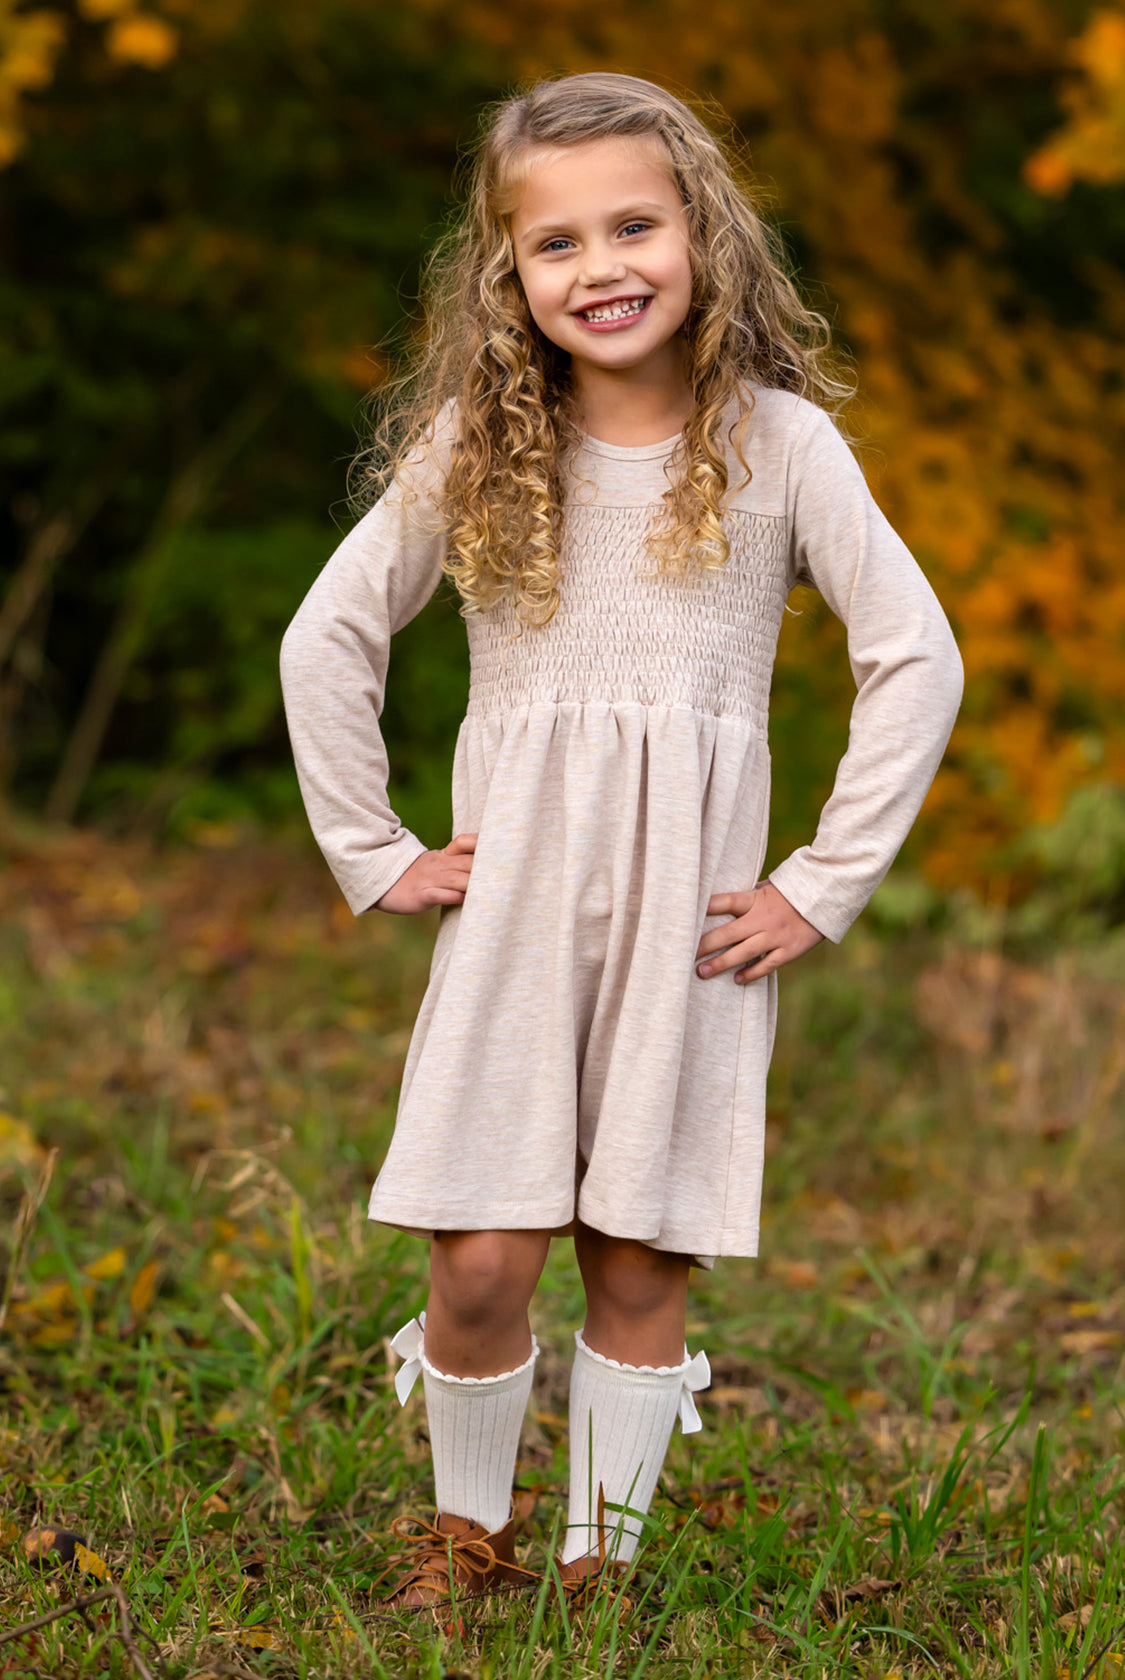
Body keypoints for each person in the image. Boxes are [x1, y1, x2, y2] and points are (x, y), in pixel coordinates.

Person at [279, 71, 963, 1611]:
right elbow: (328, 637)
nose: (601, 267)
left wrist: (821, 881)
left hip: (691, 920)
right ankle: (465, 1538)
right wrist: (373, 848)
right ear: (507, 274)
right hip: (517, 907)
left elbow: (915, 656)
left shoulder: (779, 444)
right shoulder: (480, 442)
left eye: (635, 225)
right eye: (556, 243)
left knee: (639, 1259)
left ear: (703, 235)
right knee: (478, 1256)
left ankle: (599, 1564)